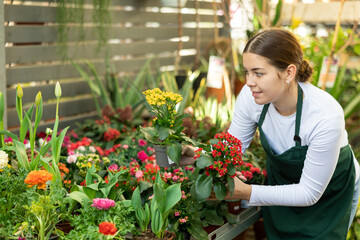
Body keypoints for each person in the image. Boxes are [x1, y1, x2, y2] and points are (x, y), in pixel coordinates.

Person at [225, 28, 360, 240]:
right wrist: (195, 155)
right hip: (282, 190)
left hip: (329, 195)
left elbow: (309, 192)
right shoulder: (250, 96)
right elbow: (231, 149)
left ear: (289, 72)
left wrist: (247, 192)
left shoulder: (325, 114)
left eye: (258, 73)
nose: (249, 81)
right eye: (247, 72)